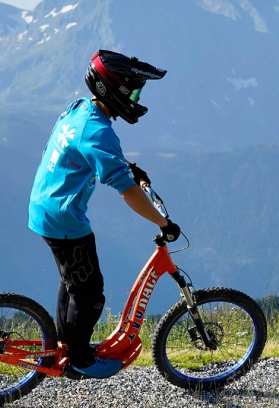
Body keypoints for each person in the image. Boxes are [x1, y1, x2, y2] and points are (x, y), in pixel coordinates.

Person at [28, 50, 180, 378]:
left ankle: (62, 347)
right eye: (133, 91)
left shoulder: (80, 109)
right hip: (64, 218)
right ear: (116, 90)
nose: (137, 98)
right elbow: (128, 192)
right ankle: (79, 360)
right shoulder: (99, 131)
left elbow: (97, 156)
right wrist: (162, 222)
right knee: (90, 292)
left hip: (44, 205)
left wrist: (131, 168)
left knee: (72, 282)